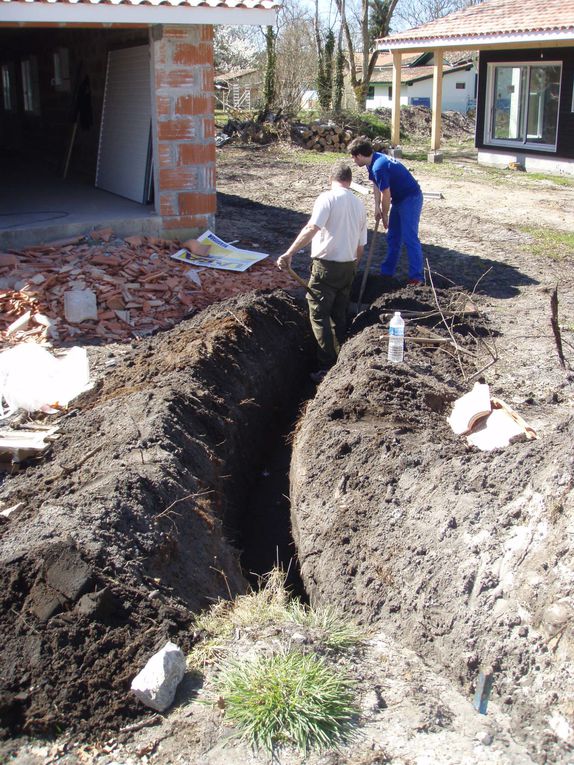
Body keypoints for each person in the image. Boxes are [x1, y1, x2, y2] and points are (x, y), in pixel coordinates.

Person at [277, 161, 367, 380]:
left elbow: (312, 228)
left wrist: (289, 253)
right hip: (348, 266)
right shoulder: (359, 204)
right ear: (350, 181)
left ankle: (328, 367)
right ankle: (342, 356)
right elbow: (361, 246)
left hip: (326, 268)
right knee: (339, 313)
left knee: (319, 315)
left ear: (331, 179)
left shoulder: (327, 198)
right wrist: (352, 268)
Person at [348, 137, 424, 284]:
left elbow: (386, 194)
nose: (353, 161)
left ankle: (416, 277)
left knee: (410, 238)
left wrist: (385, 214)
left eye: (353, 157)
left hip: (410, 198)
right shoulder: (372, 162)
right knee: (393, 237)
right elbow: (376, 184)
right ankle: (387, 273)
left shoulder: (379, 166)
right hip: (399, 199)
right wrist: (376, 206)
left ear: (359, 155)